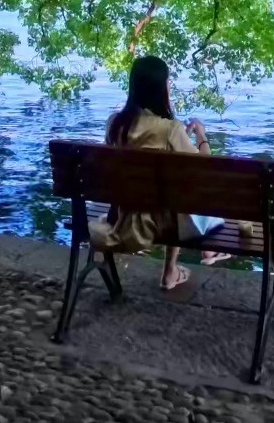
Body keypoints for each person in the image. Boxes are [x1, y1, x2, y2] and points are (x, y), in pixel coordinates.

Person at [91, 55, 230, 290]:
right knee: (186, 198)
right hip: (163, 224)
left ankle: (185, 264)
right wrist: (201, 135)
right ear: (161, 88)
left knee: (171, 192)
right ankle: (180, 266)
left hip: (123, 215)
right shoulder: (170, 129)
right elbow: (205, 169)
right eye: (168, 82)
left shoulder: (115, 123)